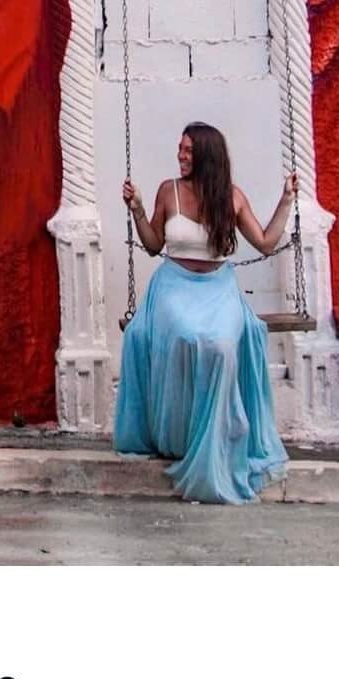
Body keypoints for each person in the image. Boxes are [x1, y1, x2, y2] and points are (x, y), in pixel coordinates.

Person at [114, 121, 295, 504]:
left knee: (222, 346)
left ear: (206, 156)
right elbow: (151, 245)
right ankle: (179, 437)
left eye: (188, 151)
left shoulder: (231, 198)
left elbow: (264, 242)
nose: (180, 156)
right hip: (173, 287)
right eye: (179, 149)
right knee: (184, 335)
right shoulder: (170, 191)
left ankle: (217, 440)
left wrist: (286, 201)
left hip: (218, 290)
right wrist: (138, 209)